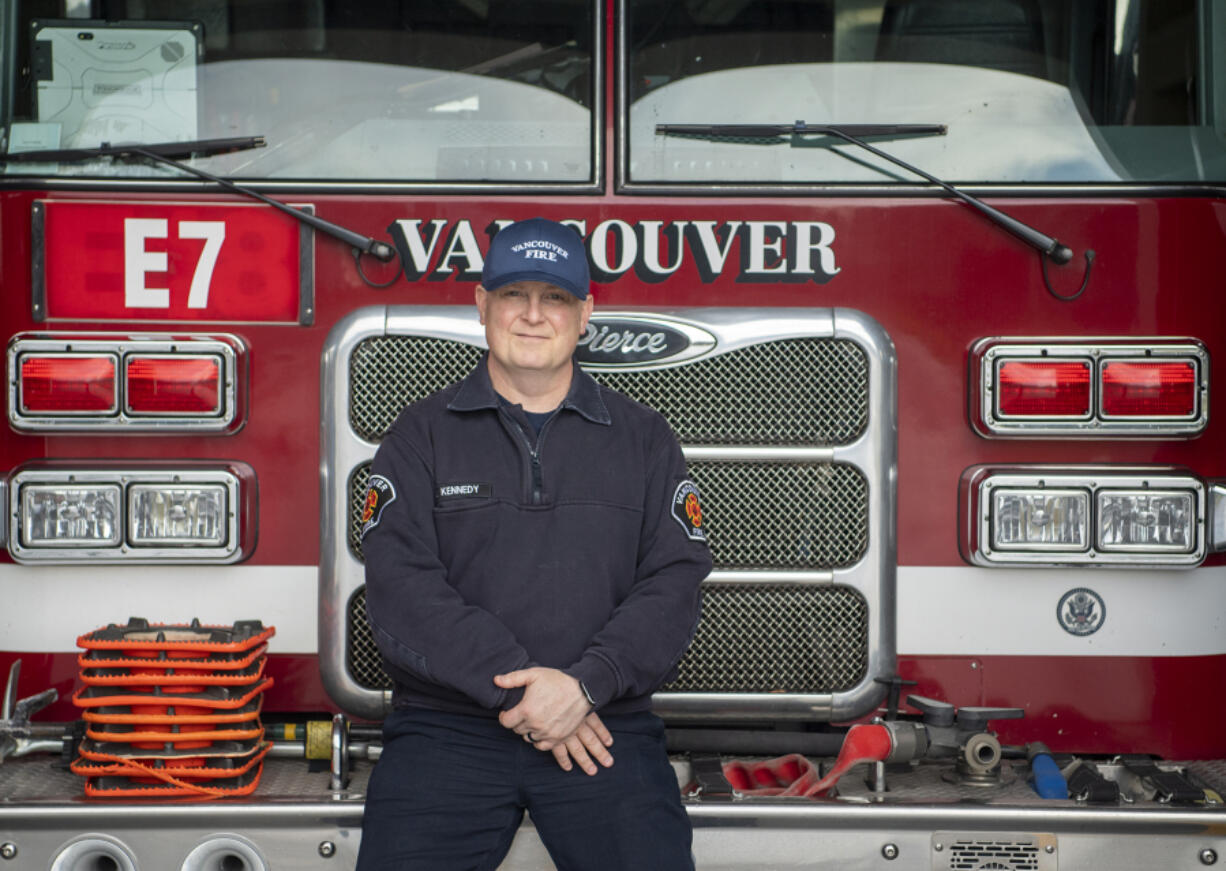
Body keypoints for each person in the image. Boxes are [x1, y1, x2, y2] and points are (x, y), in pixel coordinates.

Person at [355, 217, 712, 871]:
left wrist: (586, 683)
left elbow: (674, 580)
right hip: (447, 729)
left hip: (603, 725)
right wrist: (524, 695)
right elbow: (399, 586)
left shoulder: (644, 438)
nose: (532, 315)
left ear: (585, 315)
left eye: (555, 298)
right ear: (482, 304)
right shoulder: (420, 435)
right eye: (514, 294)